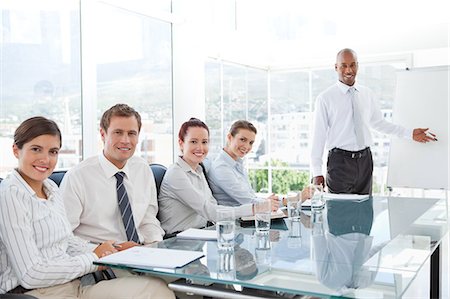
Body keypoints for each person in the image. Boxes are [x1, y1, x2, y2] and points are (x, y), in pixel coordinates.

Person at [0, 116, 168, 298]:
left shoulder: (51, 188)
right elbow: (31, 274)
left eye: (53, 152)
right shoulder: (11, 195)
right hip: (37, 293)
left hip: (73, 285)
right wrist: (94, 258)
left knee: (156, 290)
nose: (45, 159)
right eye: (36, 149)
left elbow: (67, 241)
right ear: (16, 150)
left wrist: (112, 248)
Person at [60, 104, 174, 297]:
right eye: (118, 132)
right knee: (160, 292)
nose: (125, 140)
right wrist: (113, 250)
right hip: (101, 265)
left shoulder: (142, 169)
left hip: (142, 256)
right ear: (103, 134)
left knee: (199, 280)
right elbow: (63, 238)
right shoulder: (78, 177)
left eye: (132, 133)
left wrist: (153, 246)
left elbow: (148, 219)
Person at [311, 48, 437, 194]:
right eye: (343, 65)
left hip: (365, 161)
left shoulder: (367, 94)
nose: (348, 70)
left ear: (357, 66)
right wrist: (316, 172)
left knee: (364, 211)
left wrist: (410, 133)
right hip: (340, 163)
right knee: (341, 212)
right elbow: (318, 137)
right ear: (336, 67)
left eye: (352, 65)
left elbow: (379, 123)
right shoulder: (325, 98)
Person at [157, 118, 279, 235]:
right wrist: (254, 208)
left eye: (204, 142)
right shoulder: (176, 173)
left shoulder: (199, 170)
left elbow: (213, 205)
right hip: (178, 240)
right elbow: (210, 211)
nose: (200, 148)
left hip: (200, 235)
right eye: (193, 141)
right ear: (181, 143)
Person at [208, 120, 310, 207]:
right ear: (230, 137)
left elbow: (252, 197)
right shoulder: (221, 168)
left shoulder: (237, 164)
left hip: (248, 218)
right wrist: (292, 200)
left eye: (251, 142)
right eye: (242, 140)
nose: (246, 146)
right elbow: (249, 201)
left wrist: (272, 200)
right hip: (235, 223)